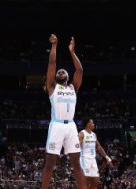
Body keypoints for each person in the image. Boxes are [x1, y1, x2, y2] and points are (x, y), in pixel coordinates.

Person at [41, 34, 86, 189]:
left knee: (77, 164)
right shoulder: (52, 87)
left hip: (71, 126)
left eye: (63, 71)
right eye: (58, 72)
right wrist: (54, 45)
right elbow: (52, 63)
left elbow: (80, 70)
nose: (60, 72)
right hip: (57, 125)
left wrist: (72, 52)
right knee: (49, 164)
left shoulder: (73, 87)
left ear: (67, 77)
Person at [78, 120, 112, 189]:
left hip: (93, 159)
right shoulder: (82, 134)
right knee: (85, 180)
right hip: (84, 158)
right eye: (92, 123)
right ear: (88, 124)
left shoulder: (94, 135)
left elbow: (99, 147)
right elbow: (77, 146)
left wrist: (107, 158)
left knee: (96, 181)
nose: (93, 124)